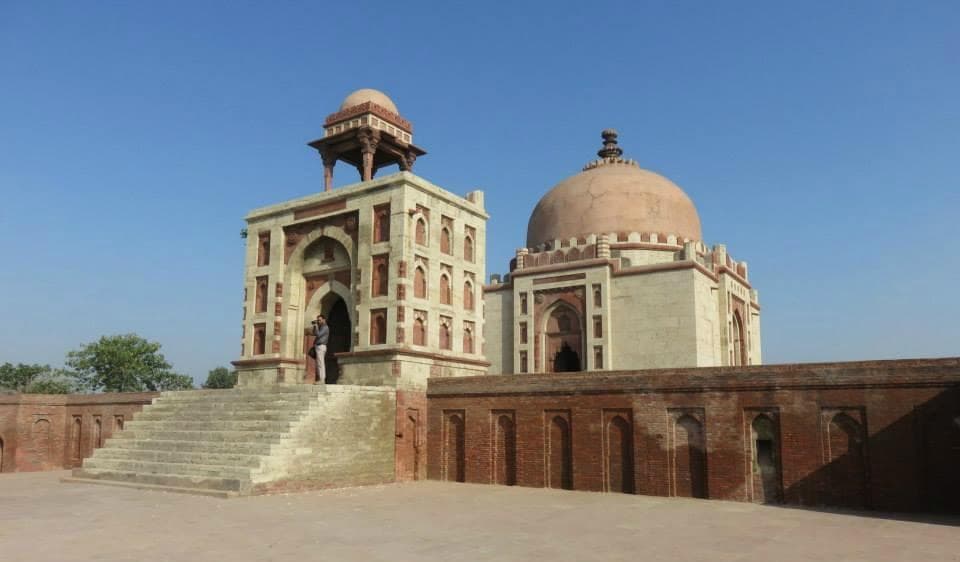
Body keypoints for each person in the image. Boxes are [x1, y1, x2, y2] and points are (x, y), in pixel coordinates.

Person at [311, 314, 329, 383]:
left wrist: (316, 326)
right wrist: (315, 327)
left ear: (324, 320)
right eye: (318, 320)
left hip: (321, 346)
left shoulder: (325, 327)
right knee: (319, 363)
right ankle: (321, 379)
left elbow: (318, 335)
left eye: (319, 320)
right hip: (318, 346)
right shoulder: (320, 327)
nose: (318, 321)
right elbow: (314, 333)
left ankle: (322, 379)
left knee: (320, 363)